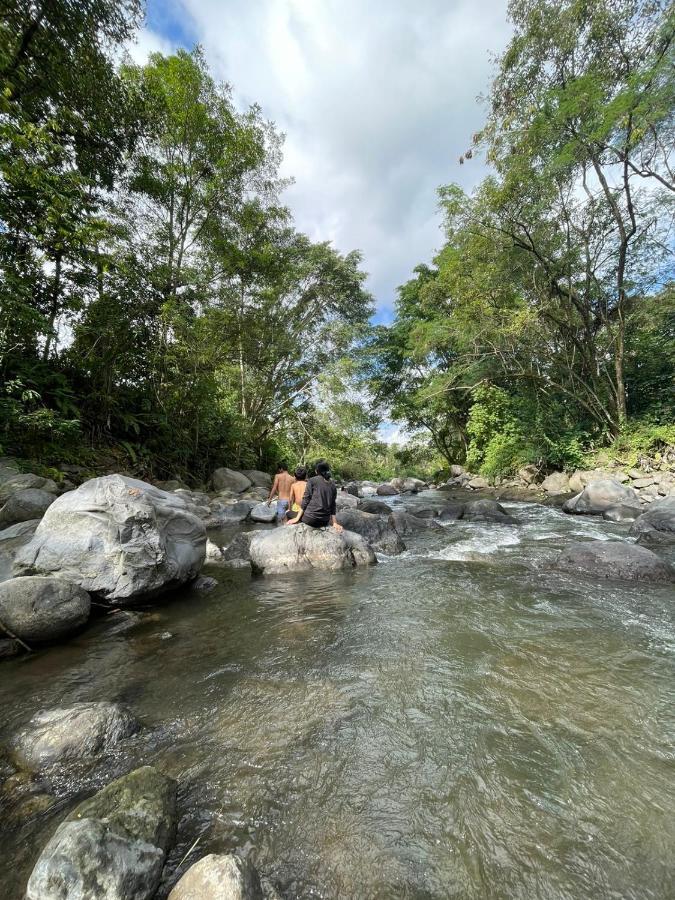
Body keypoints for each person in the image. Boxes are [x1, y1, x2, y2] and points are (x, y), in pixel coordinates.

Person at [286, 460, 343, 531]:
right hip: (324, 521)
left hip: (310, 519)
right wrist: (334, 522)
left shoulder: (312, 480)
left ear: (316, 471)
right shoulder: (333, 485)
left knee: (288, 513)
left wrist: (297, 518)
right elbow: (333, 504)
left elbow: (306, 500)